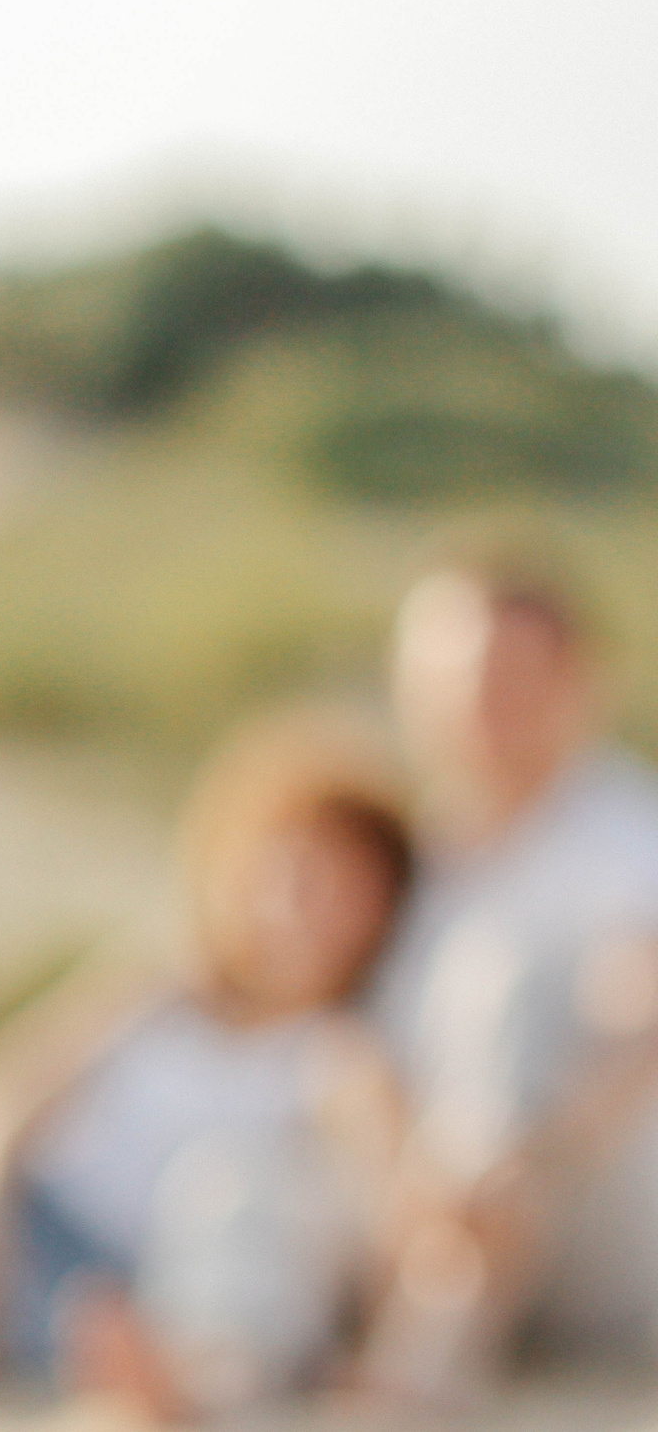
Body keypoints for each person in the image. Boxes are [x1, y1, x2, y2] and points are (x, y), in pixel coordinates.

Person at [0, 708, 417, 1419]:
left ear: (380, 916)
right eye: (289, 873)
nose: (299, 908)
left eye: (340, 889)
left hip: (91, 1294)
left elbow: (389, 1207)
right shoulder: (160, 985)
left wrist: (382, 1344)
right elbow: (3, 1092)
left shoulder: (338, 1051)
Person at [360, 552, 658, 1398]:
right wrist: (410, 1174)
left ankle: (422, 1363)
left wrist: (527, 1163)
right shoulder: (408, 858)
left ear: (582, 682)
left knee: (508, 987)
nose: (483, 704)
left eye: (510, 674)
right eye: (453, 679)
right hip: (422, 1218)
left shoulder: (630, 836)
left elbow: (643, 1014)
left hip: (596, 1216)